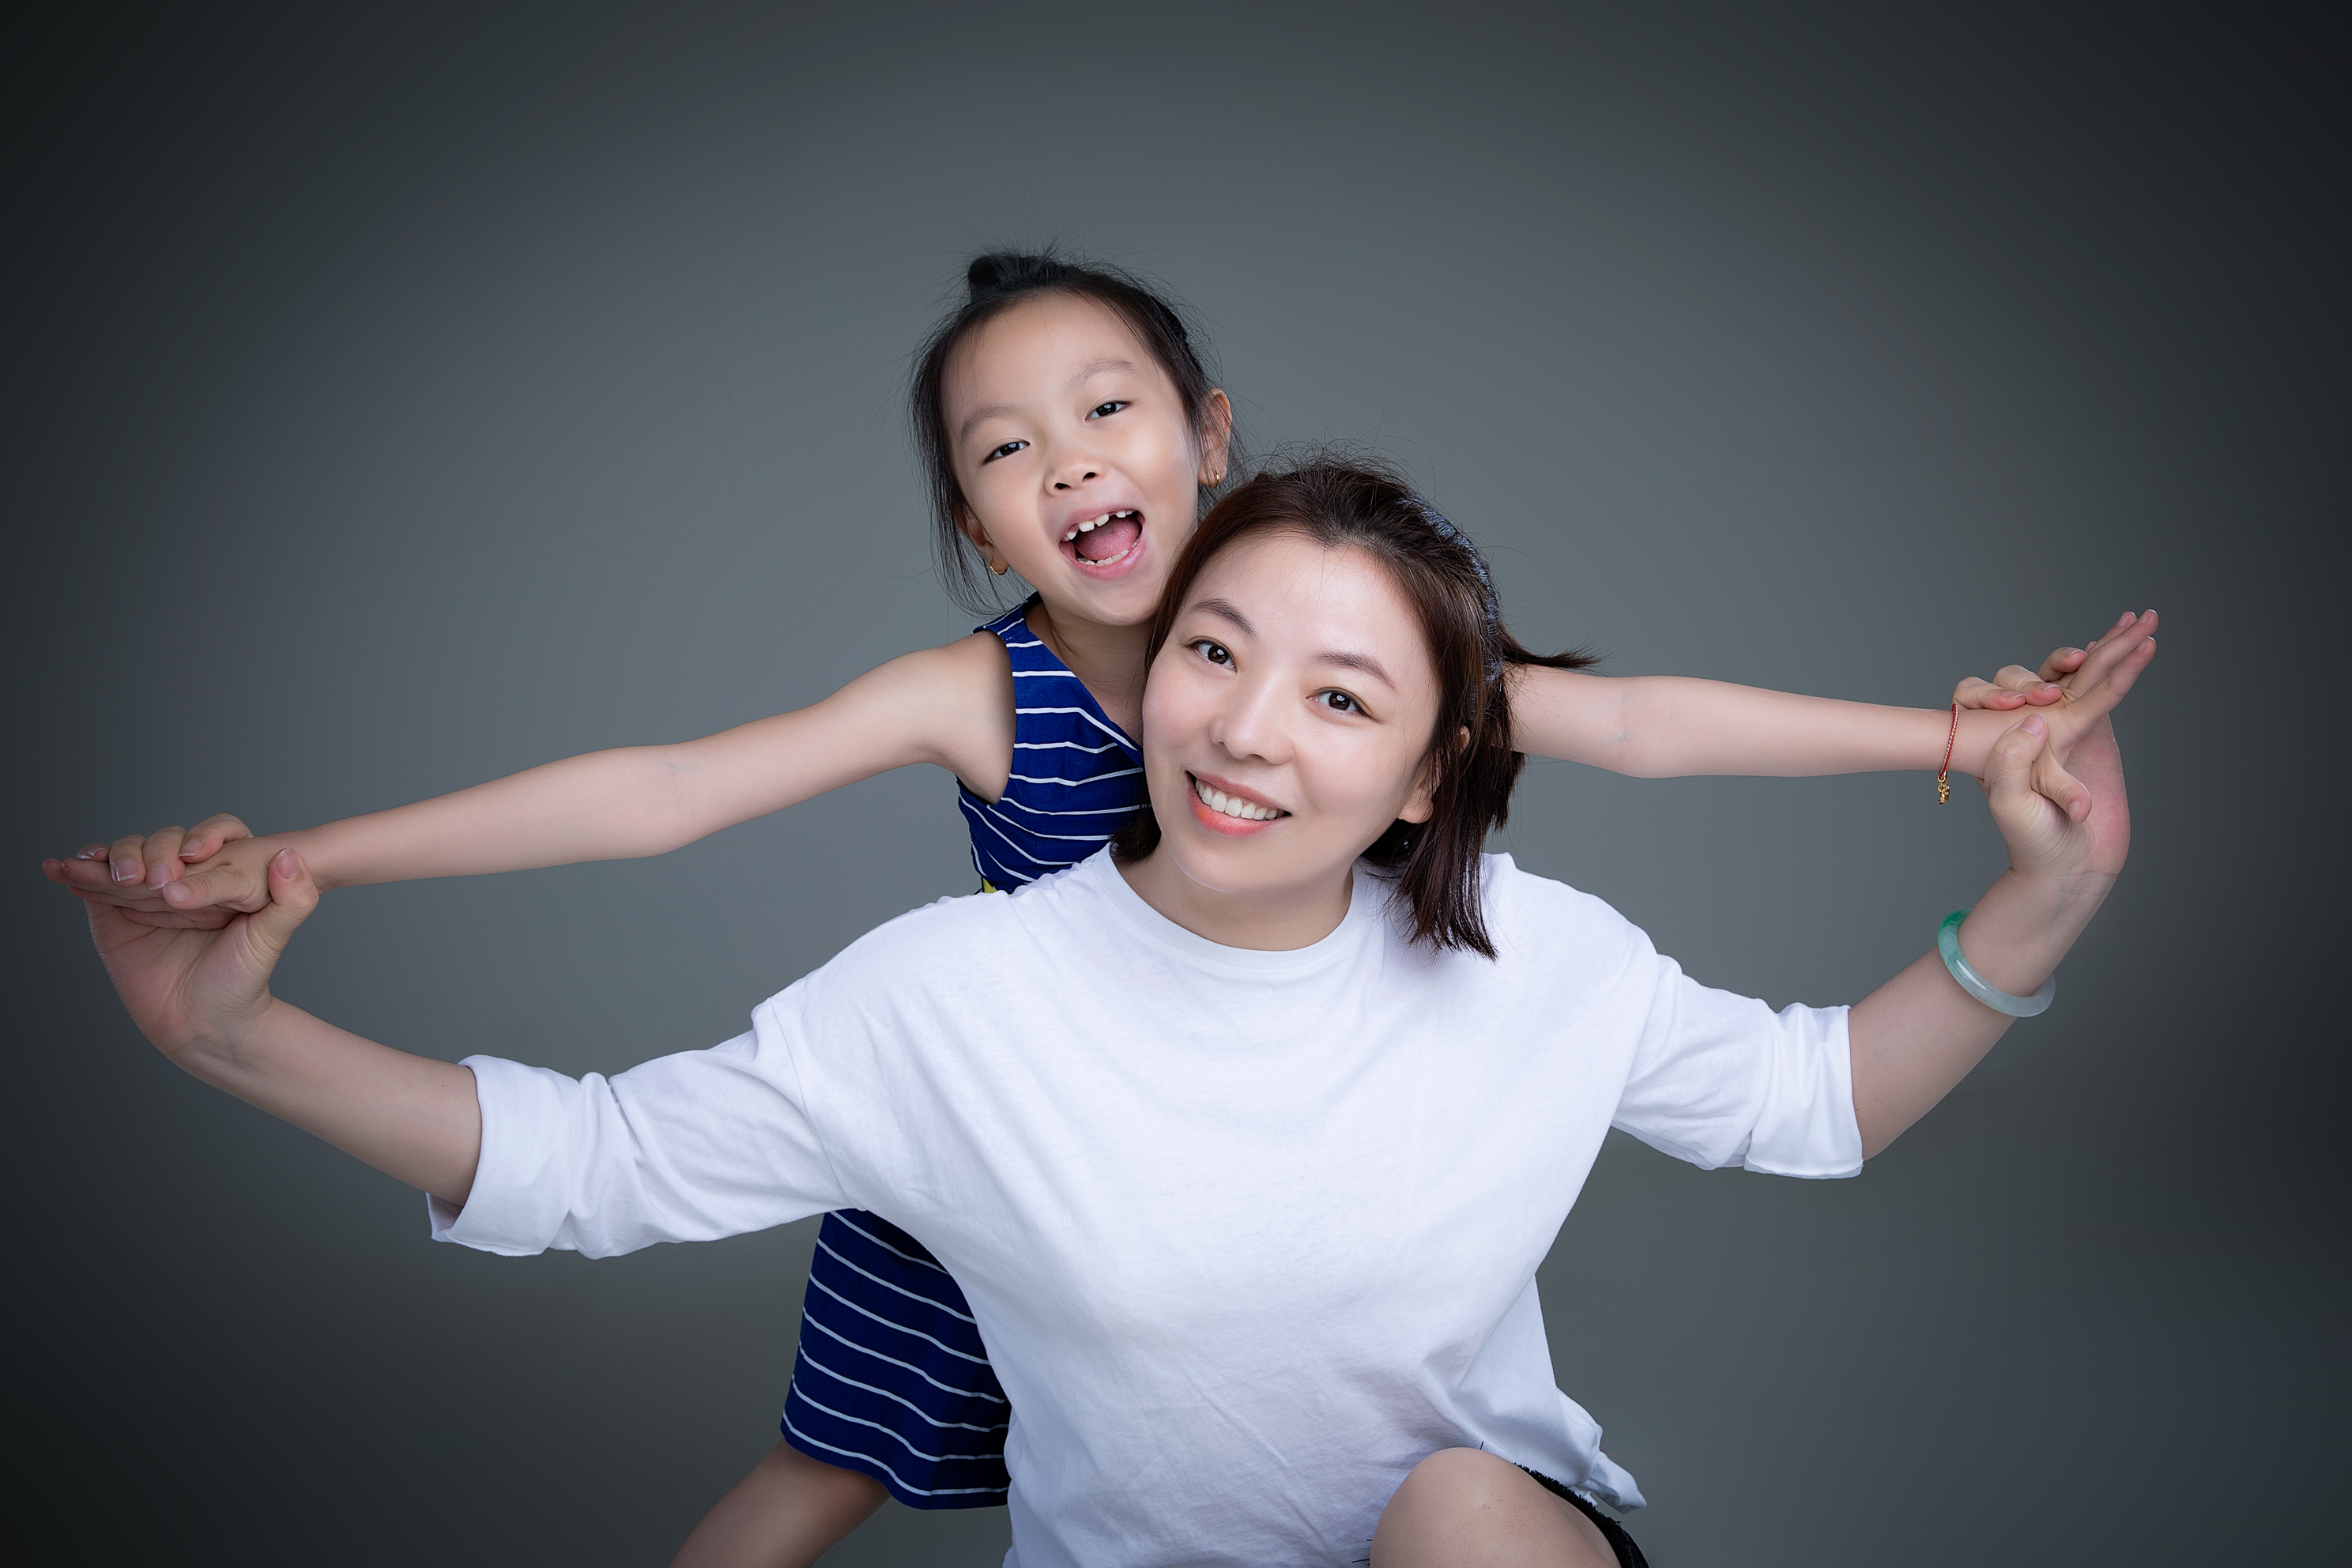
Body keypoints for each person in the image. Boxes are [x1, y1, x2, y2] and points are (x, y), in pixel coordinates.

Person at [74, 458, 2154, 1568]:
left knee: (1453, 1516)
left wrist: (2043, 898)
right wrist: (224, 1038)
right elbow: (598, 1164)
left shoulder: (1539, 957)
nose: (1246, 731)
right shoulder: (956, 1000)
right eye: (1214, 654)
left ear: (1428, 772)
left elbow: (1814, 1102)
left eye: (1340, 696)